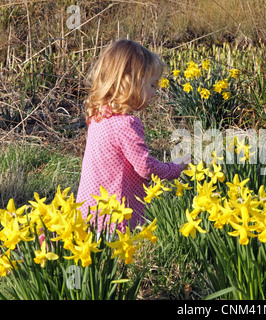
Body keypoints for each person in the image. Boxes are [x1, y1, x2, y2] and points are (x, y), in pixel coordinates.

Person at [76, 39, 190, 235]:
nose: (155, 93)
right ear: (130, 82)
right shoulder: (127, 124)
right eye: (152, 86)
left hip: (91, 206)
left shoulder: (98, 115)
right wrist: (175, 168)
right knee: (116, 257)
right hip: (116, 214)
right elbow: (146, 168)